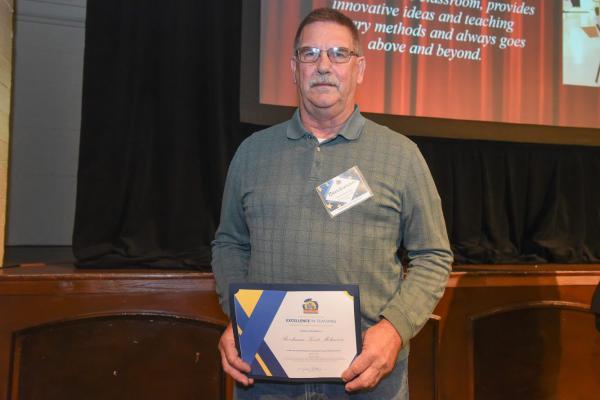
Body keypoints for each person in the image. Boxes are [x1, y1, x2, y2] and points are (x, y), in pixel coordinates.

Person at [212, 7, 453, 399]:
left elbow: (434, 256)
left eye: (339, 54)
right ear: (294, 68)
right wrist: (239, 319)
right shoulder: (251, 154)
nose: (324, 65)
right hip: (266, 378)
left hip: (366, 378)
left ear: (359, 69)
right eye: (310, 54)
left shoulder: (401, 156)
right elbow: (229, 245)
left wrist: (395, 328)